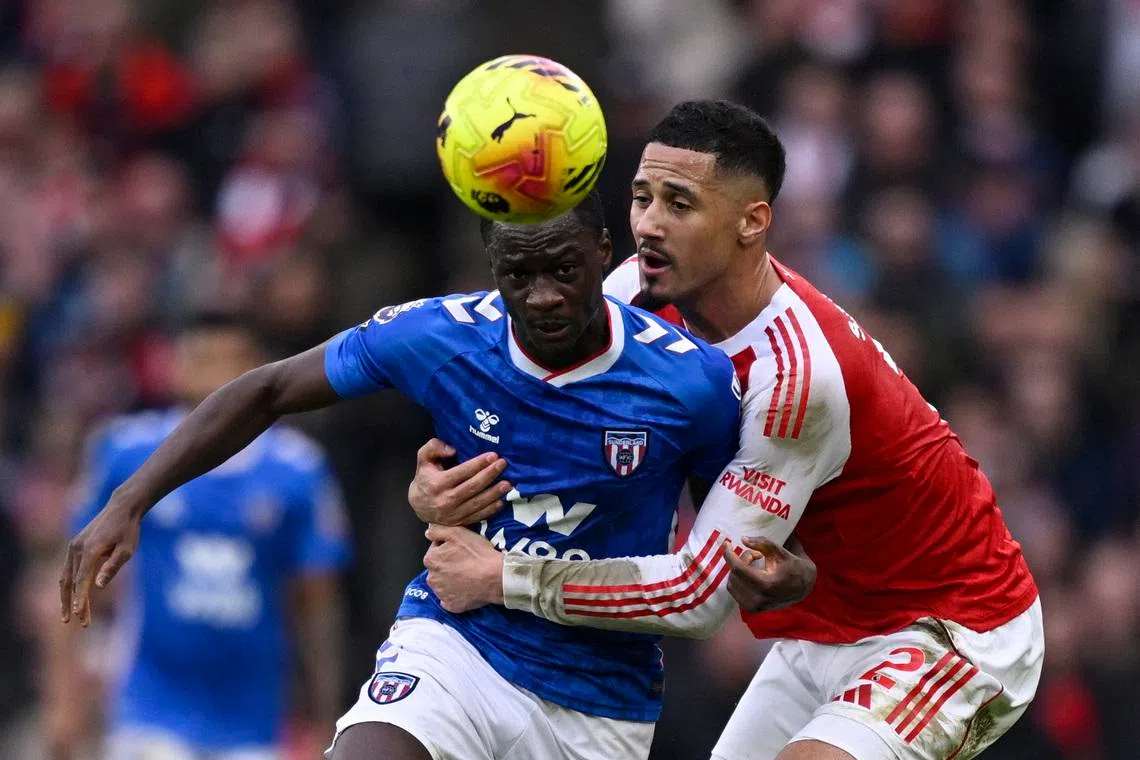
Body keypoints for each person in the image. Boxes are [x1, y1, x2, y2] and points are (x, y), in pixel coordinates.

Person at [407, 101, 1044, 760]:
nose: (649, 225)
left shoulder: (796, 378)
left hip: (950, 625)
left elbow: (697, 595)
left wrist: (504, 577)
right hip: (823, 625)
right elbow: (527, 417)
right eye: (642, 198)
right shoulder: (632, 297)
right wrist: (439, 485)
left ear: (752, 221)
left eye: (679, 204)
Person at [59, 191, 751, 760]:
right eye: (518, 276)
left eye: (564, 271)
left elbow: (713, 566)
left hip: (598, 697)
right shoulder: (441, 336)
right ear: (491, 266)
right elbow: (268, 389)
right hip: (458, 643)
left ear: (603, 252)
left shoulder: (689, 383)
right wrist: (131, 500)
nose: (542, 296)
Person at [47, 313, 352, 760]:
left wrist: (328, 714)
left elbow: (317, 602)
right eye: (199, 359)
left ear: (258, 369)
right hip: (149, 707)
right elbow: (71, 572)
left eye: (226, 360)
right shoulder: (127, 451)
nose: (212, 374)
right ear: (175, 366)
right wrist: (64, 700)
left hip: (253, 718)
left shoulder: (298, 471)